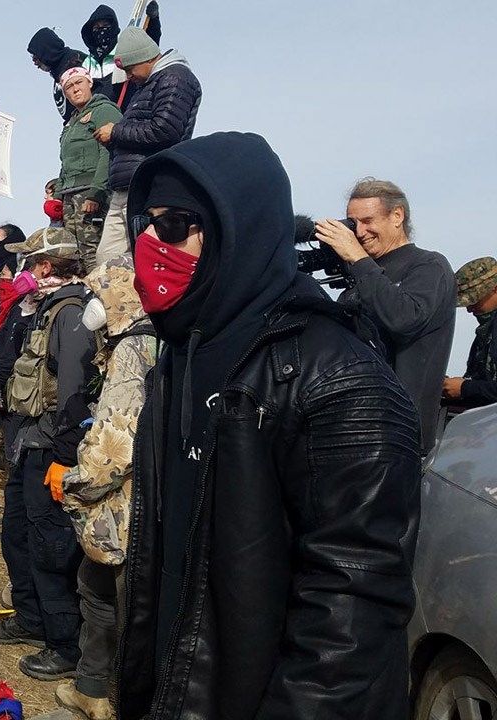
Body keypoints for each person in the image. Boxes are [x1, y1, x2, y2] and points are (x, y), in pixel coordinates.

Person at [114, 133, 421, 720]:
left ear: (238, 229)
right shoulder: (176, 357)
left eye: (174, 225)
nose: (150, 242)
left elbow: (351, 616)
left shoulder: (339, 377)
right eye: (143, 225)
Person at [0, 228, 96, 682]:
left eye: (29, 263)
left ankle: (65, 645)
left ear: (46, 266)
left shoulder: (71, 314)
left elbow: (73, 392)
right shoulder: (45, 310)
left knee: (51, 546)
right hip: (29, 442)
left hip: (51, 446)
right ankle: (31, 618)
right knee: (17, 534)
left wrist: (64, 457)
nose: (24, 271)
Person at [54, 254, 156, 719]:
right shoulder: (155, 340)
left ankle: (111, 698)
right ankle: (91, 686)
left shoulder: (133, 350)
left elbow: (116, 442)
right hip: (140, 501)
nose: (91, 303)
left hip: (124, 507)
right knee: (96, 588)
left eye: (99, 292)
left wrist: (74, 486)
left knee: (116, 603)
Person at [317, 179, 456, 452]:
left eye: (368, 221)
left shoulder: (429, 265)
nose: (359, 232)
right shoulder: (361, 277)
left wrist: (358, 259)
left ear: (397, 216)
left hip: (397, 437)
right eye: (353, 223)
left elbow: (403, 319)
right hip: (349, 432)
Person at [94, 27, 201, 267]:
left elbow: (166, 129)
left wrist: (116, 131)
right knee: (107, 259)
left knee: (145, 256)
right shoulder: (147, 86)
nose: (129, 76)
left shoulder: (175, 77)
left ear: (144, 58)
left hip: (149, 183)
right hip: (127, 185)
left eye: (130, 69)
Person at [58, 67, 122, 271]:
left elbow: (109, 153)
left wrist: (97, 192)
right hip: (70, 195)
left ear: (90, 83)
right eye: (69, 87)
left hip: (91, 192)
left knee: (93, 250)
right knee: (74, 255)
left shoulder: (104, 110)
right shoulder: (71, 122)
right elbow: (65, 162)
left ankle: (102, 289)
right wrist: (58, 196)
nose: (75, 89)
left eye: (79, 83)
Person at [80, 3, 161, 107]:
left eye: (105, 26)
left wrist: (153, 21)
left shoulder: (124, 53)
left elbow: (146, 50)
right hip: (98, 114)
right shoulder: (86, 64)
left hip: (126, 111)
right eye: (96, 28)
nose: (101, 31)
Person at [445, 257, 497, 408]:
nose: (469, 309)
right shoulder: (486, 332)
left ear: (494, 289)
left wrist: (464, 388)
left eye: (475, 300)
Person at [27, 27, 87, 123]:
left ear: (46, 50)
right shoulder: (57, 75)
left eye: (36, 55)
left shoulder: (77, 60)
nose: (34, 61)